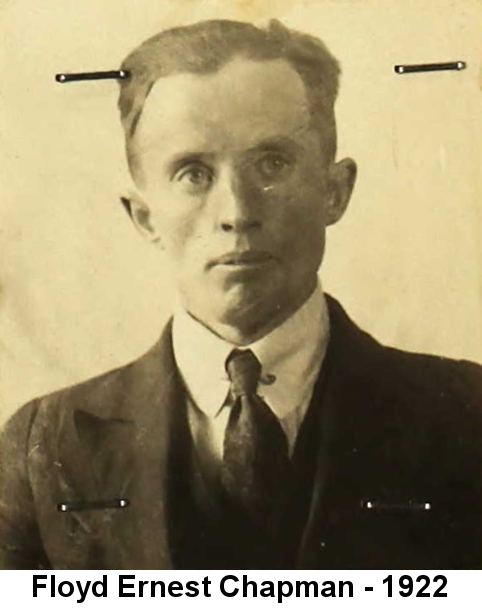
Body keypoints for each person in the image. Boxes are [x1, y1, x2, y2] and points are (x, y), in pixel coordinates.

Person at [1, 18, 482, 570]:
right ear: (143, 216)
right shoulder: (44, 445)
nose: (236, 213)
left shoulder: (466, 417)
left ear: (335, 190)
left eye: (272, 164)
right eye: (193, 174)